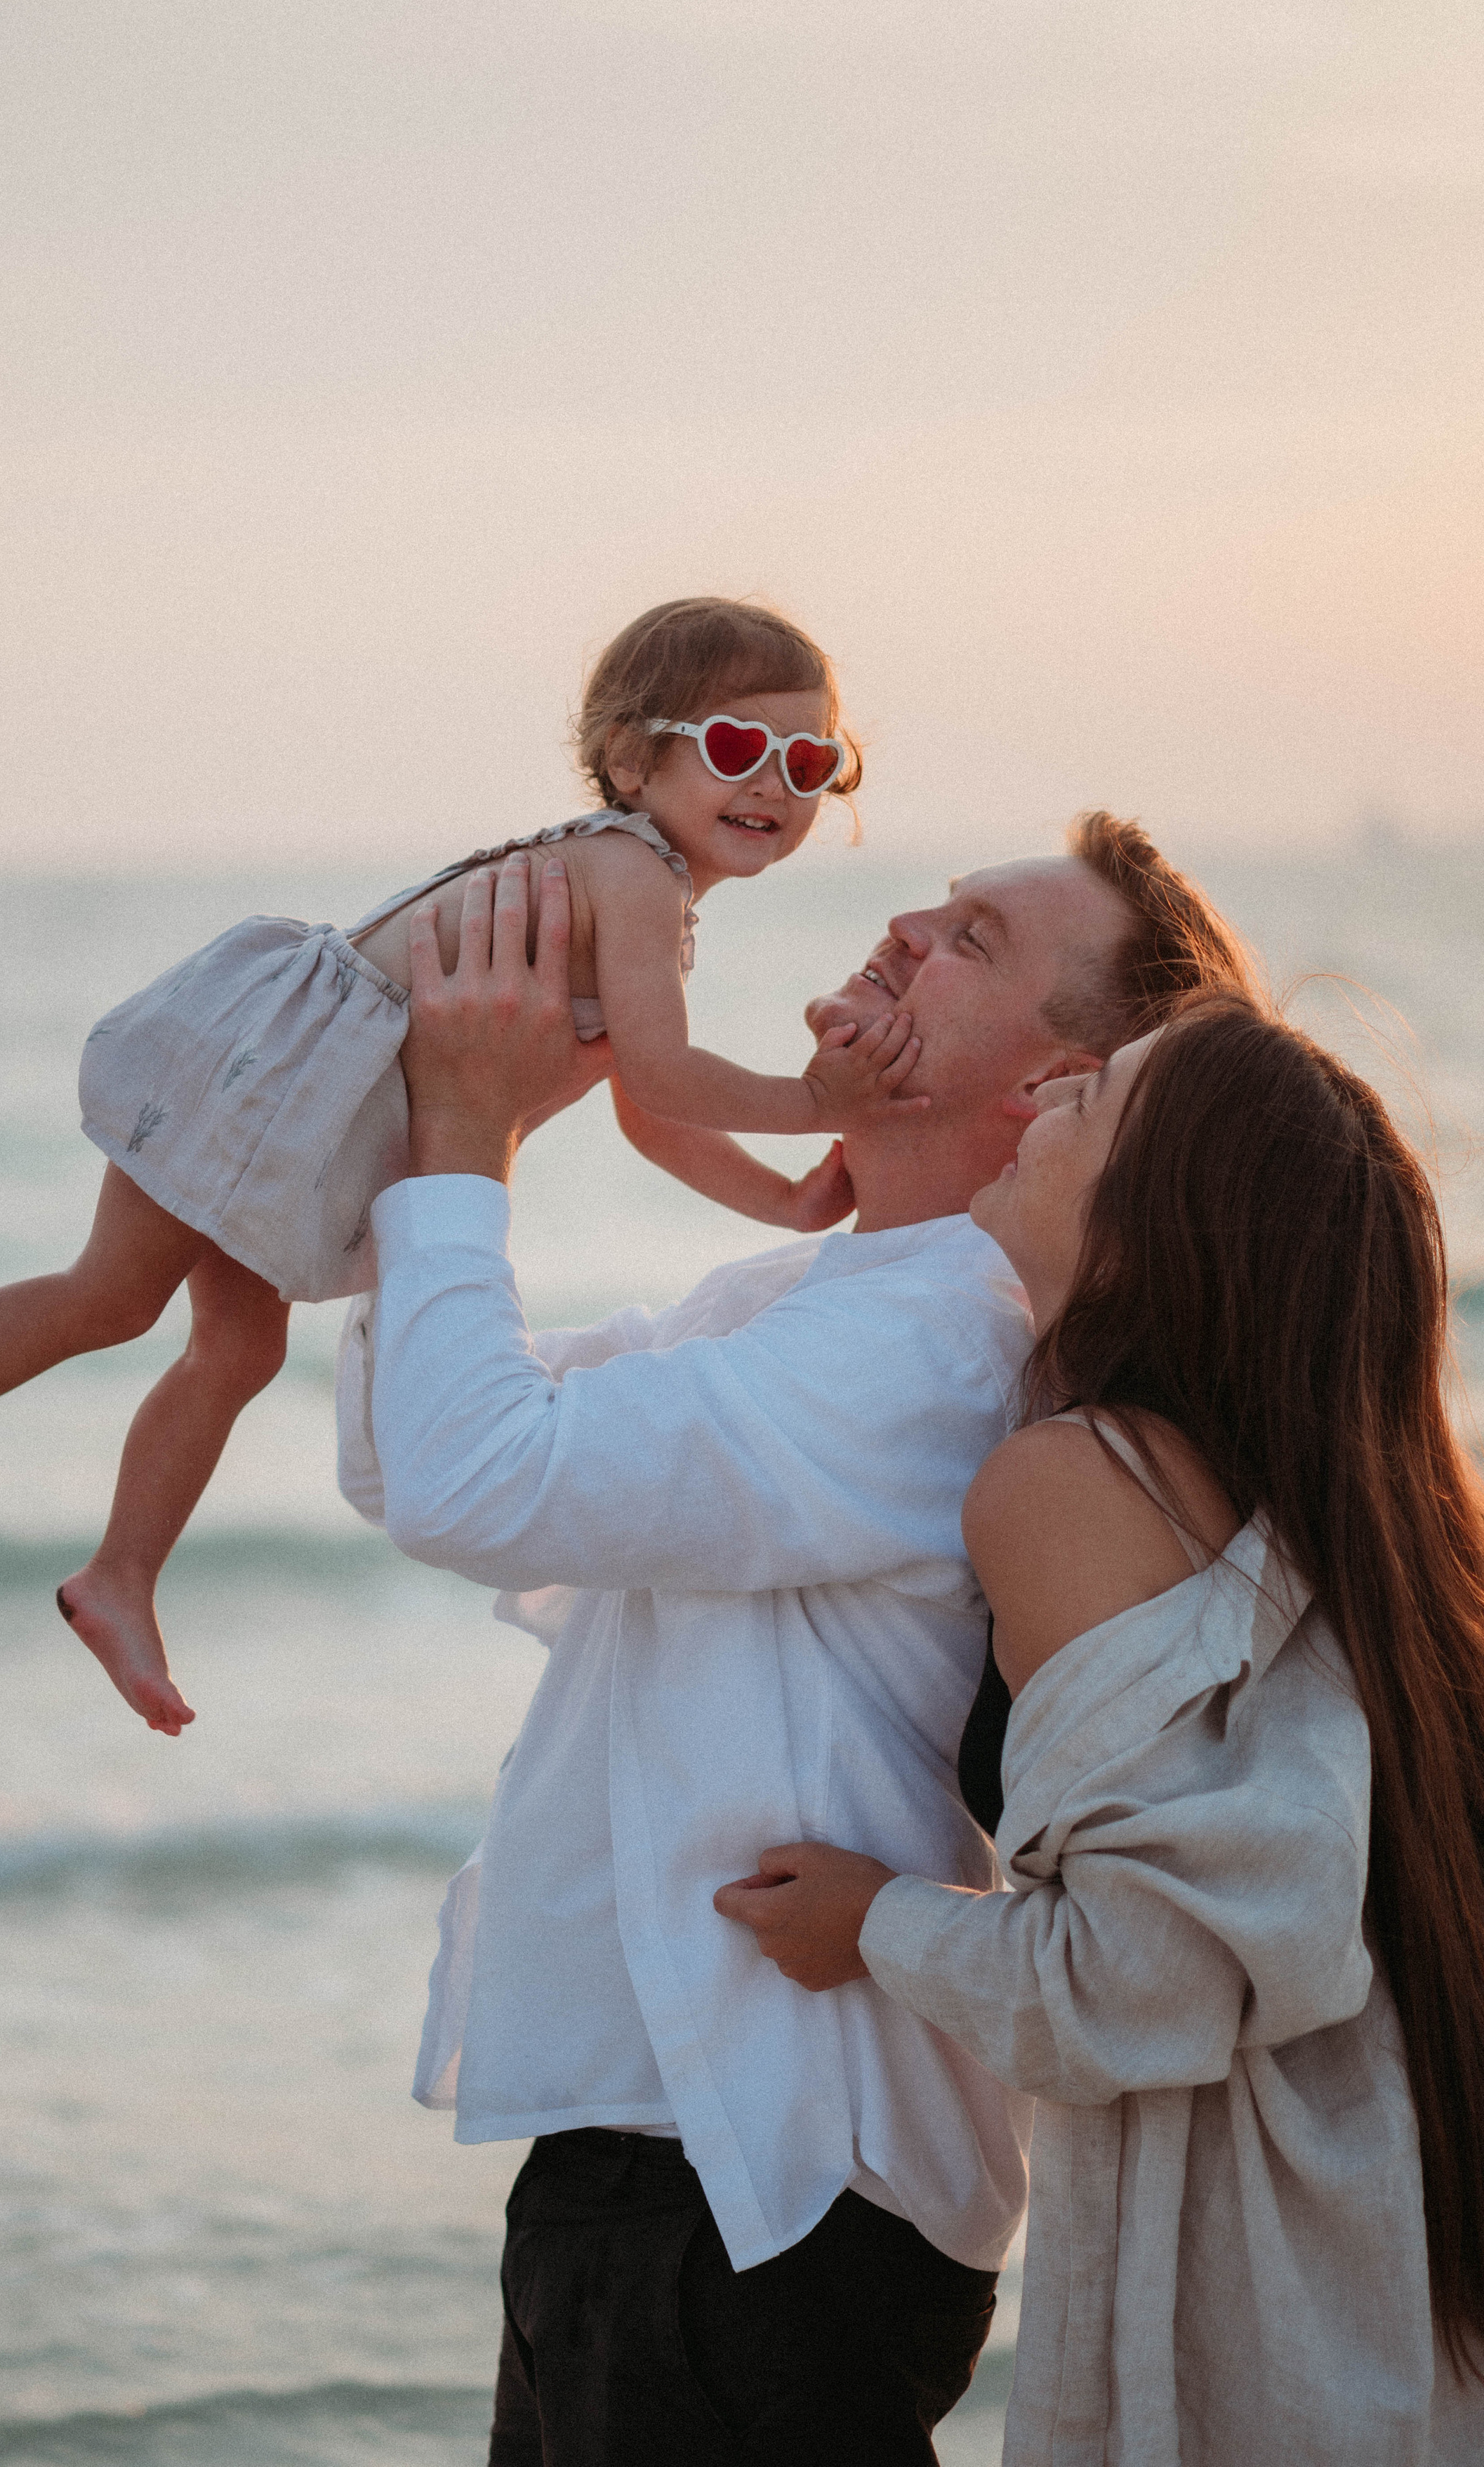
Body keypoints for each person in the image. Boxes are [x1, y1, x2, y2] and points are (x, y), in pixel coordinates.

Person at [336, 814, 1257, 2463]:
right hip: (672, 2172)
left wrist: (465, 1138)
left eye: (972, 939)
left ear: (1051, 1092)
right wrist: (461, 1129)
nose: (904, 924)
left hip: (754, 2192)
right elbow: (407, 1447)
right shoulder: (811, 1301)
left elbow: (477, 1478)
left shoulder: (925, 1345)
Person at [0, 596, 910, 1731]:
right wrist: (815, 1099)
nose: (773, 784)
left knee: (236, 1351)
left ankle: (120, 1574)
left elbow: (643, 1109)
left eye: (809, 761)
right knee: (113, 1297)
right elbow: (666, 1077)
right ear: (630, 760)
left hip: (308, 1099)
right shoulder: (634, 876)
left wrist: (788, 1197)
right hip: (275, 1069)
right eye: (734, 748)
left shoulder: (648, 897)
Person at [715, 993, 1484, 2464]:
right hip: (1387, 2256)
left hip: (1274, 2293)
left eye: (1100, 1096)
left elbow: (1142, 1978)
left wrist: (874, 1923)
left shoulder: (1071, 1478)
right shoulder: (1365, 1524)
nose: (1052, 1094)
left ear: (1154, 1224)